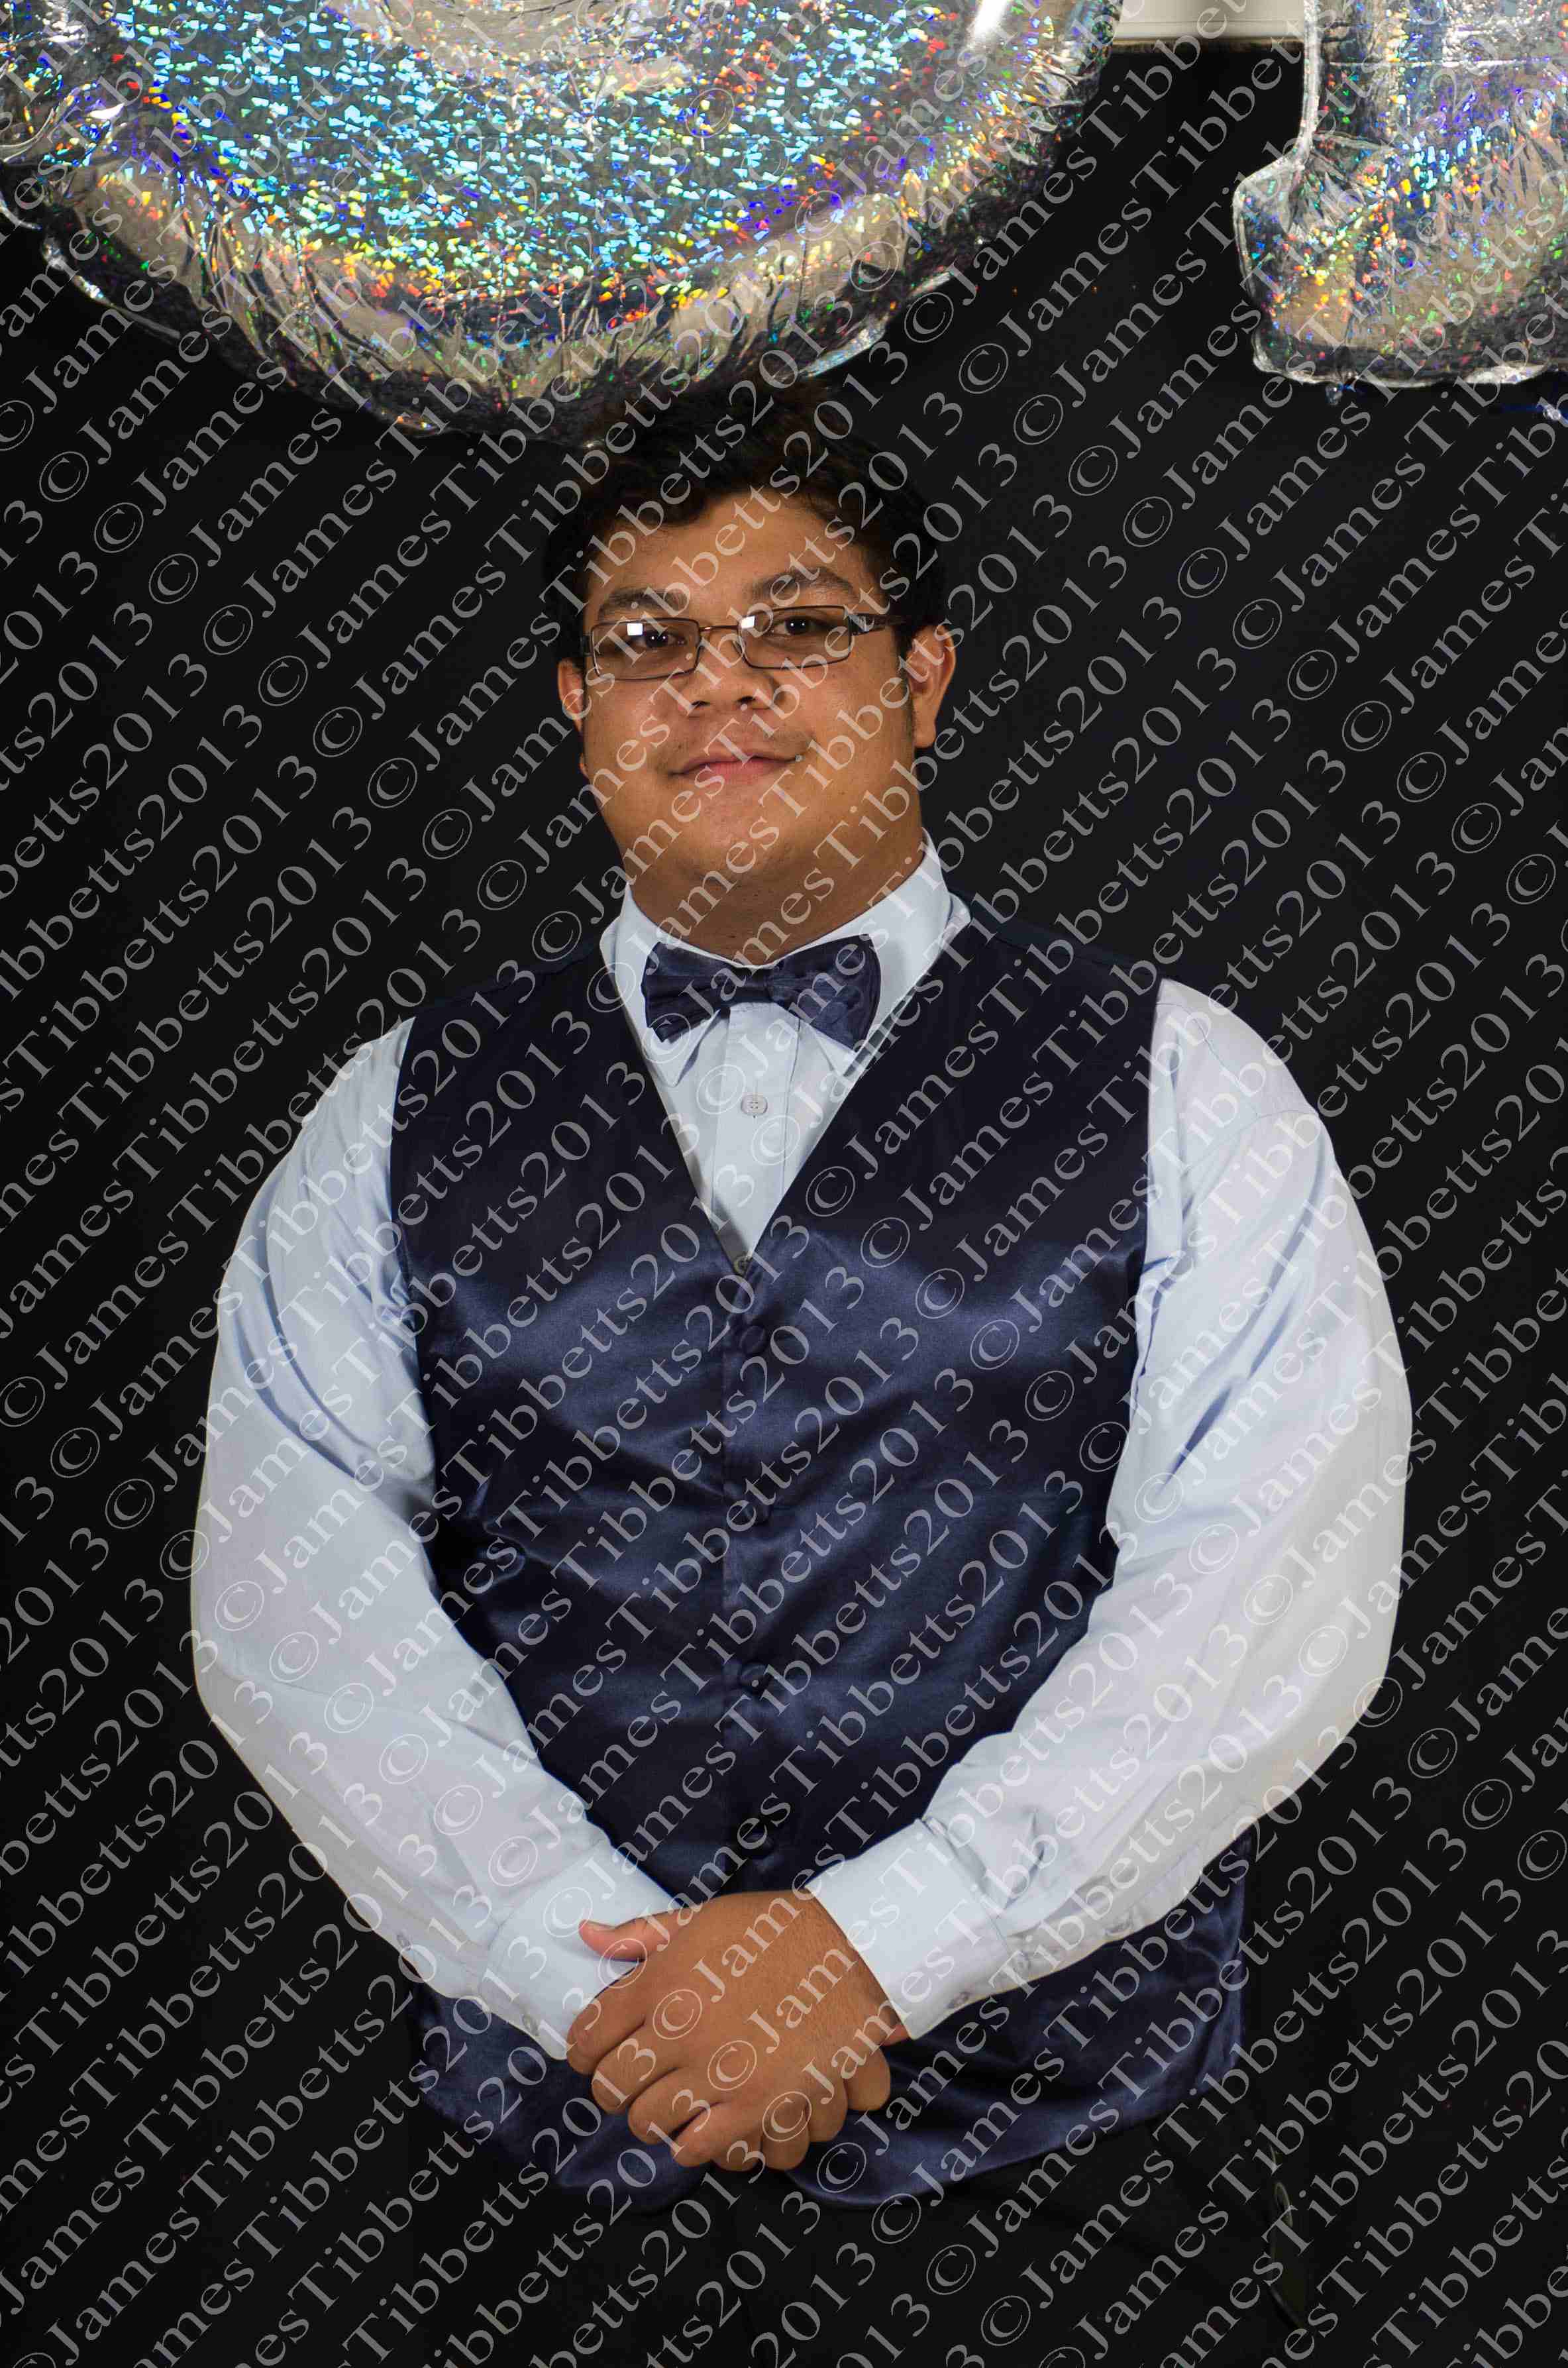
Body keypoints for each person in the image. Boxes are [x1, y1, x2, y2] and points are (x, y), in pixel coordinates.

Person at [192, 385, 1410, 2364]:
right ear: (578, 705)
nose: (721, 684)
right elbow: (294, 1604)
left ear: (922, 681)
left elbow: (1272, 1576)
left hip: (1076, 2161)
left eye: (802, 625)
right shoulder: (391, 1110)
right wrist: (586, 1980)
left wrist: (882, 1948)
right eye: (649, 640)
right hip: (550, 2154)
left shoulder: (1189, 1077)